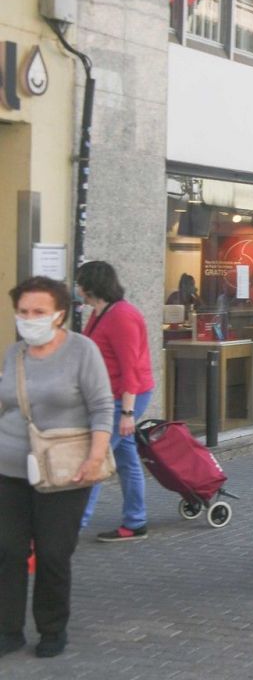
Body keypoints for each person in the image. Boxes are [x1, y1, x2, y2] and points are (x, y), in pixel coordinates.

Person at [0, 277, 115, 658]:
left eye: (39, 312)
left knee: (52, 553)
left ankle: (52, 628)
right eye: (23, 312)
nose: (29, 319)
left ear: (60, 314)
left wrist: (95, 457)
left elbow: (101, 407)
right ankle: (8, 629)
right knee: (7, 551)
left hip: (67, 470)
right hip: (9, 468)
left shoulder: (83, 351)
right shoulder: (14, 353)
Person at [75, 261, 155, 542]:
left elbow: (130, 367)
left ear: (90, 286)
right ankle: (135, 521)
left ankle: (73, 526)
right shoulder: (100, 313)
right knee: (126, 459)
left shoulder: (122, 316)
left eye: (79, 283)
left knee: (95, 458)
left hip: (125, 398)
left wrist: (128, 413)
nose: (76, 289)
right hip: (110, 397)